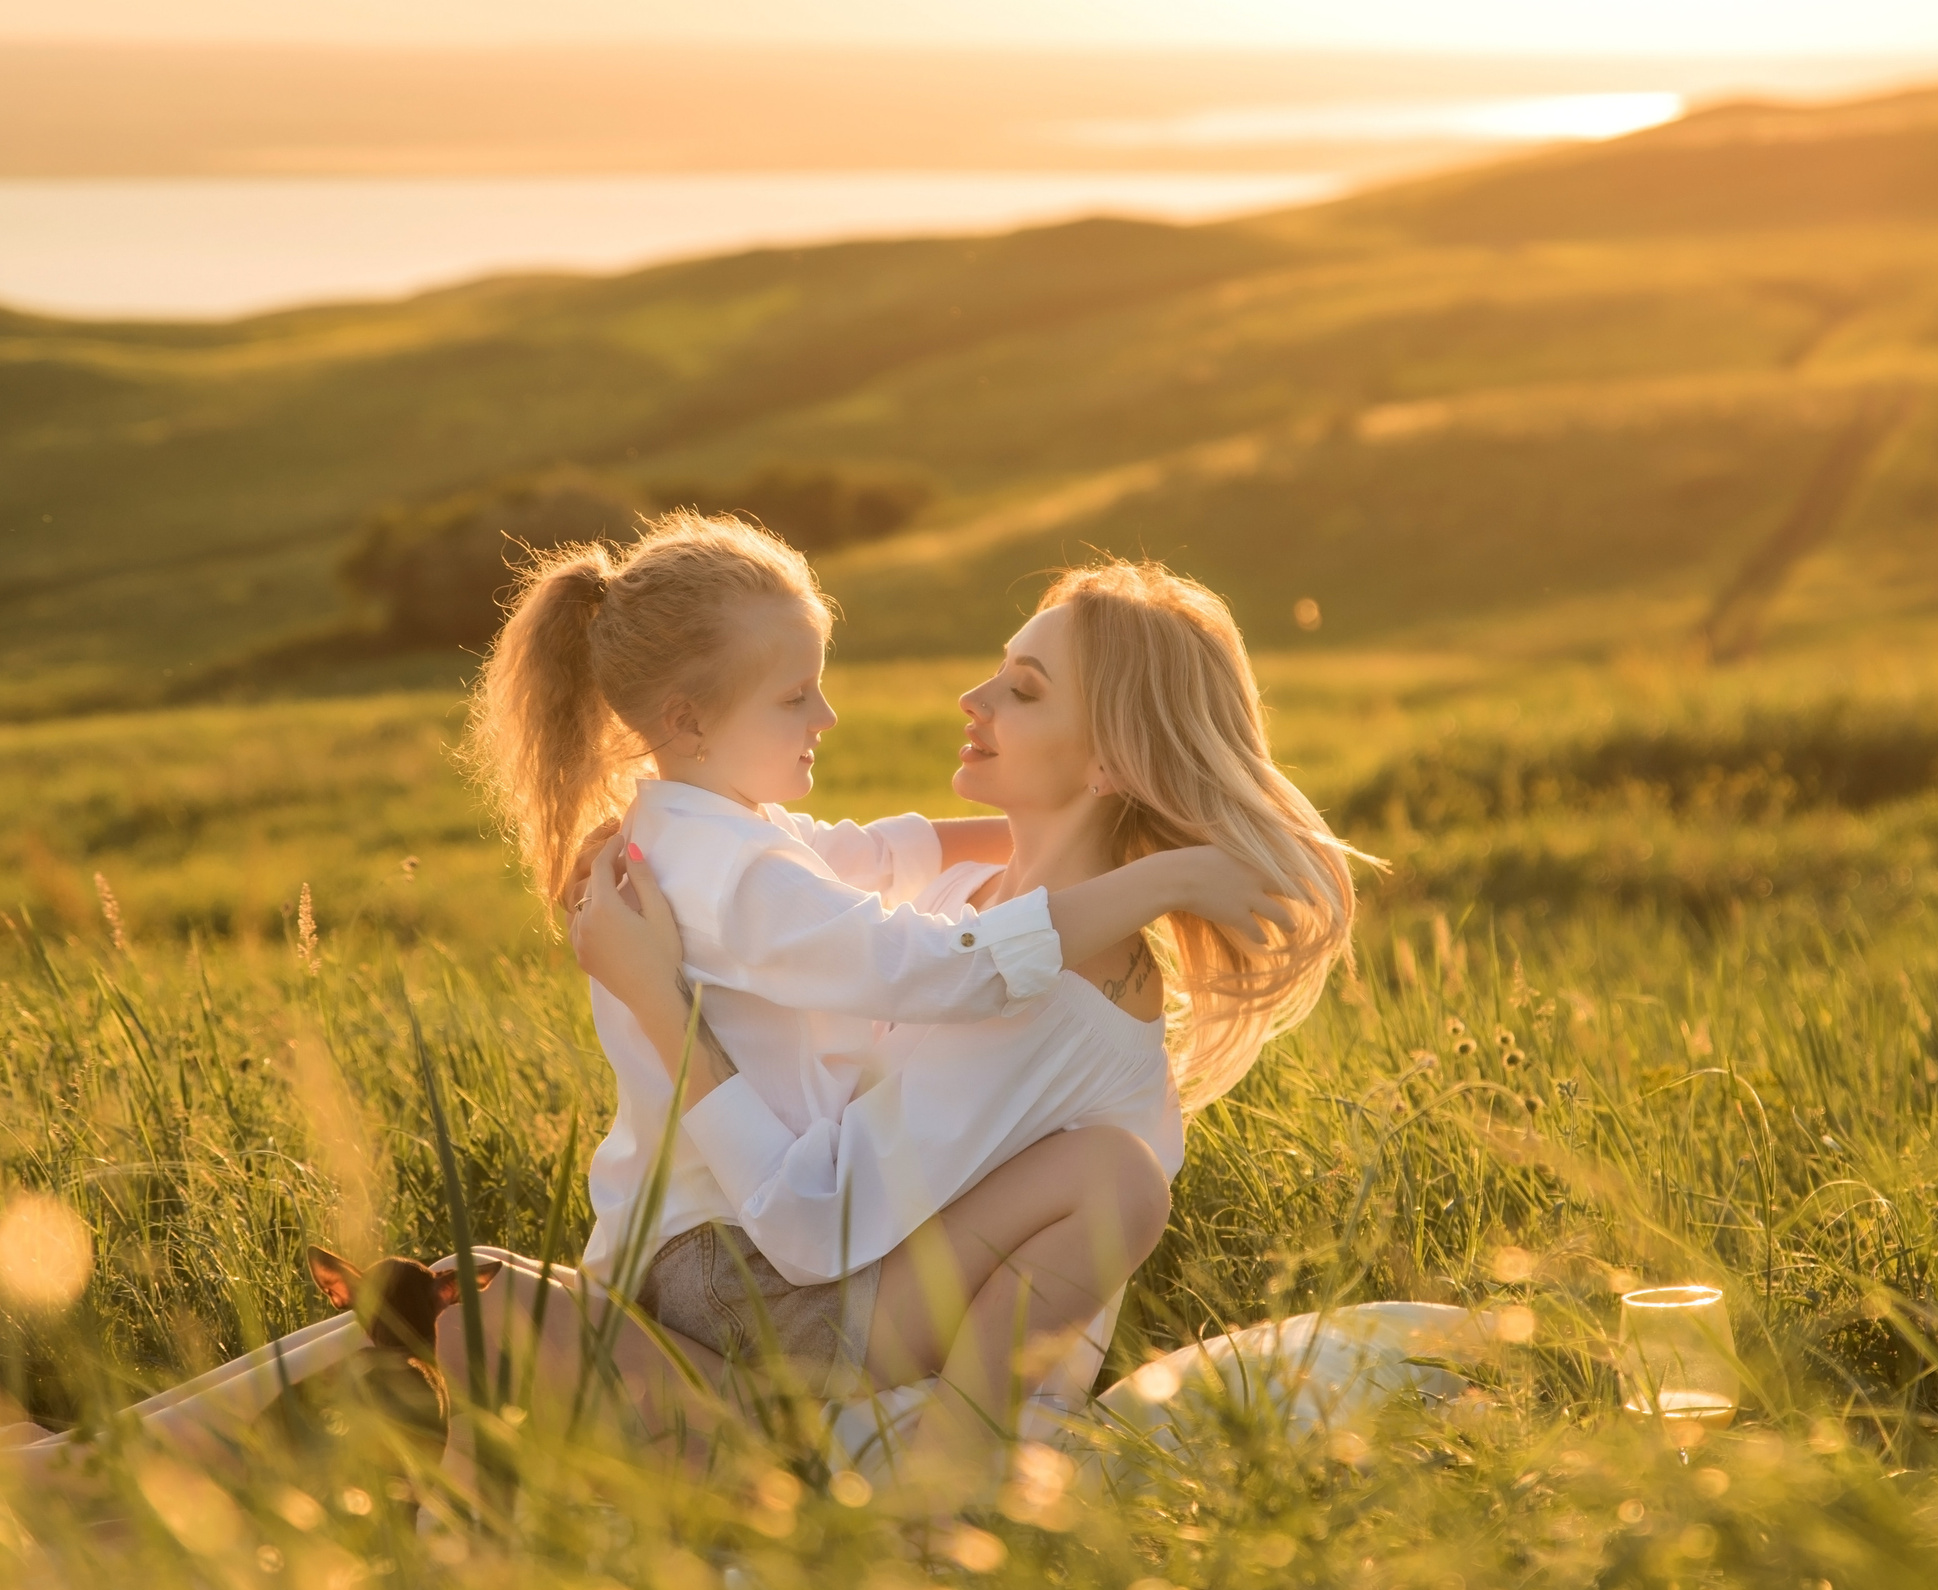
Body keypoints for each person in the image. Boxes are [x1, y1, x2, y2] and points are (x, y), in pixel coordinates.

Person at [464, 546, 1364, 1495]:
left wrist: (658, 1001)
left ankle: (860, 1472)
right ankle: (694, 1417)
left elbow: (814, 1215)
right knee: (477, 1303)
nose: (972, 698)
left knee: (1117, 1178)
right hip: (751, 1267)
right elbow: (878, 858)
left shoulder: (1054, 984)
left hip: (813, 1309)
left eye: (1021, 688)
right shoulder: (968, 897)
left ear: (1110, 758)